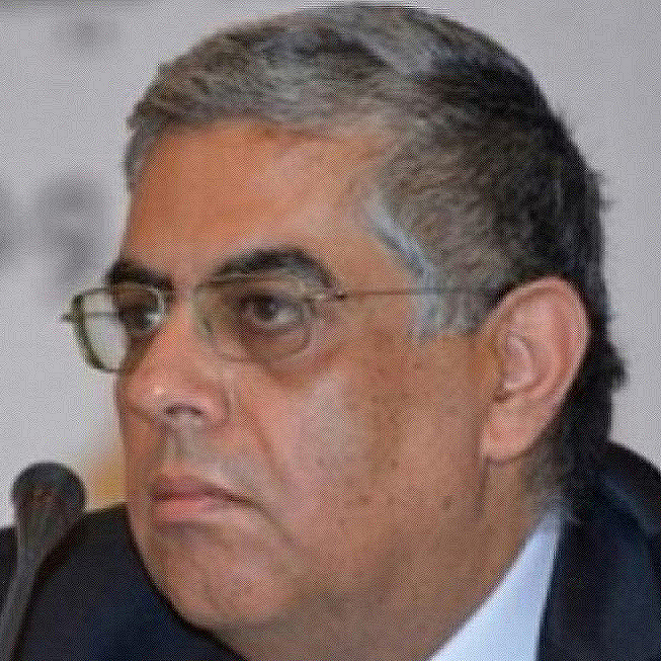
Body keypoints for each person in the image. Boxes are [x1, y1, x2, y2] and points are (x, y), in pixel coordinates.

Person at [1, 4, 659, 660]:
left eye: (265, 310)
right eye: (139, 315)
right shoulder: (32, 623)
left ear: (515, 370)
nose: (152, 385)